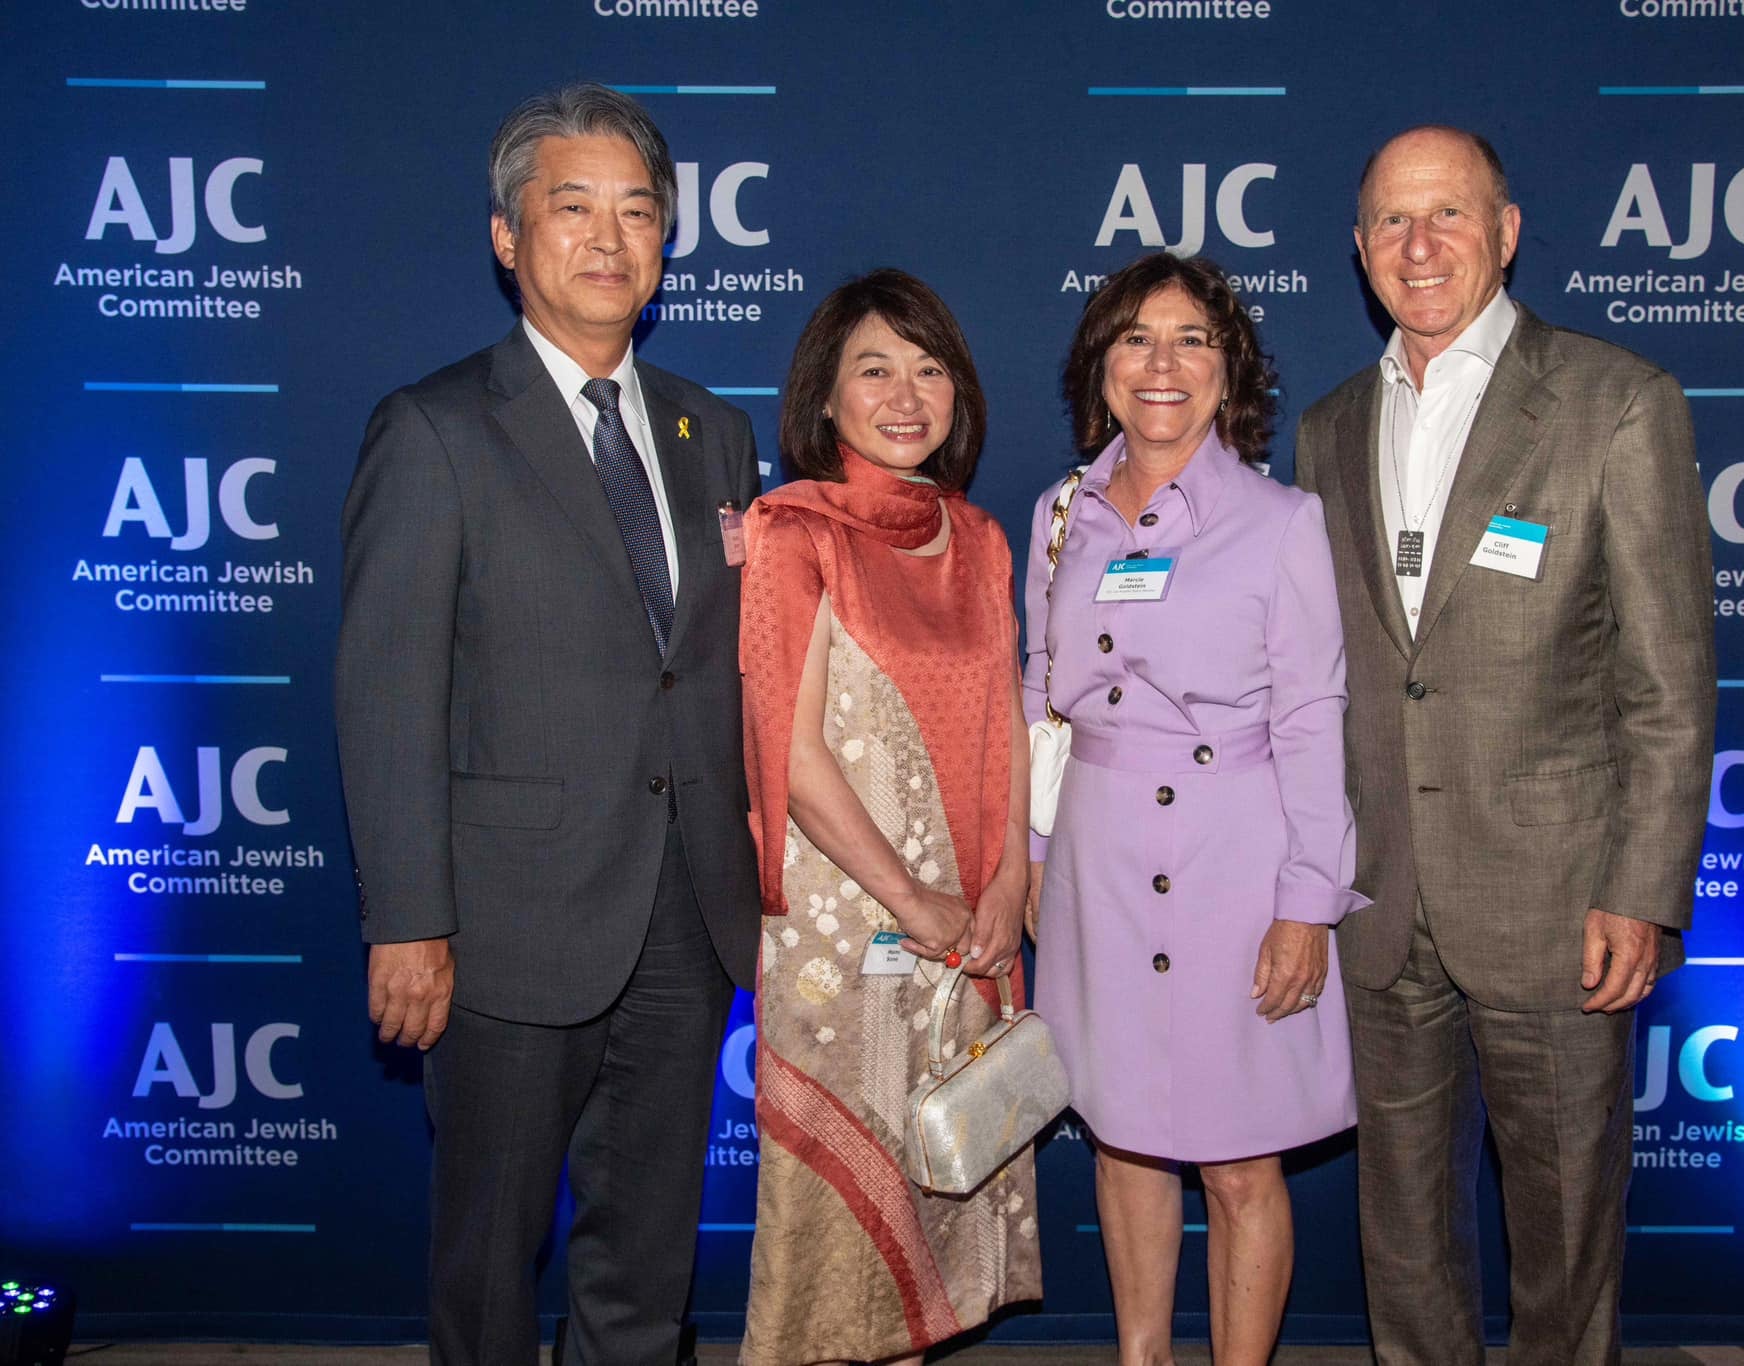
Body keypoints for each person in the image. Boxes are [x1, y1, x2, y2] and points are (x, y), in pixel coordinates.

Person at [333, 83, 759, 1366]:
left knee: (646, 1253)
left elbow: (715, 673)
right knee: (488, 1253)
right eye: (571, 208)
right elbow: (385, 687)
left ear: (667, 244)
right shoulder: (436, 428)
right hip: (507, 923)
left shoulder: (712, 431)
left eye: (638, 212)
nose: (609, 238)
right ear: (509, 238)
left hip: (685, 914)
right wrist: (409, 918)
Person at [1295, 125, 1716, 1364]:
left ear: (1506, 230)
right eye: (1389, 221)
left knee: (1564, 1233)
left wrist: (1639, 889)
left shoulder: (1614, 402)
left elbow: (1668, 682)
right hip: (1381, 904)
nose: (1417, 246)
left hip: (1554, 906)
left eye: (1447, 215)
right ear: (1358, 245)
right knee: (1405, 1234)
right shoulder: (1325, 429)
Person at [1024, 252, 1366, 1366]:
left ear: (1230, 372)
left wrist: (1307, 900)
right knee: (1121, 1137)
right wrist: (1033, 855)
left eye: (1191, 340)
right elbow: (1041, 693)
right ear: (1100, 366)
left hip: (1236, 856)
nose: (1160, 364)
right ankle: (1140, 1356)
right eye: (1134, 338)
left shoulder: (1281, 521)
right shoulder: (1058, 512)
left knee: (1235, 1156)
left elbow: (1315, 713)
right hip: (1097, 860)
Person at [737, 269, 1040, 1366]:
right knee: (841, 1227)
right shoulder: (791, 531)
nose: (905, 394)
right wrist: (917, 901)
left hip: (969, 930)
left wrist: (1004, 892)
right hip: (848, 924)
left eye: (928, 369)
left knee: (931, 1212)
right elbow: (793, 753)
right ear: (826, 395)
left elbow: (1008, 729)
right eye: (874, 368)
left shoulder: (983, 540)